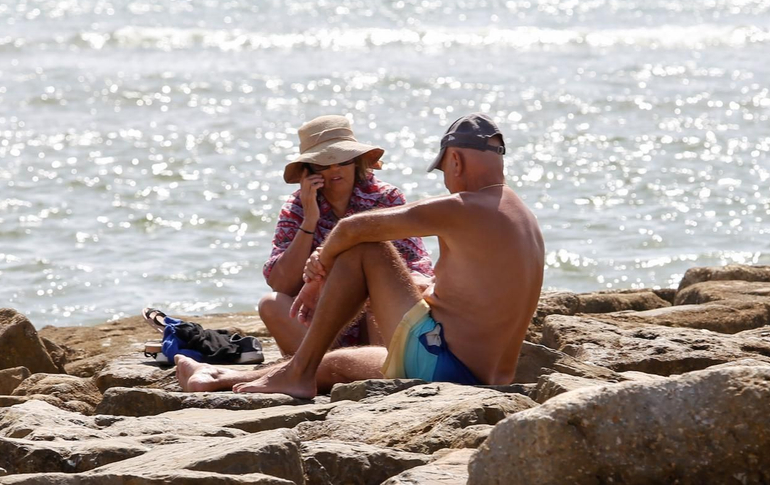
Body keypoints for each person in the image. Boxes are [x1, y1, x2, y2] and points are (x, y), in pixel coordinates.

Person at [178, 113, 543, 397]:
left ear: (456, 162)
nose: (447, 178)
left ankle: (297, 375)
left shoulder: (462, 207)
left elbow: (352, 230)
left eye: (445, 167)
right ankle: (219, 377)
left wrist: (318, 271)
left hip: (441, 360)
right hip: (480, 373)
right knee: (339, 365)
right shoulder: (523, 216)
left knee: (365, 247)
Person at [259, 115, 432, 355]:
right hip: (324, 323)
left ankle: (369, 367)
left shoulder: (385, 198)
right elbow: (281, 283)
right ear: (309, 170)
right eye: (323, 163)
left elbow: (411, 269)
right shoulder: (298, 205)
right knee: (270, 304)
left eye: (342, 159)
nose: (334, 169)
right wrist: (310, 219)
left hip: (373, 317)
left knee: (376, 293)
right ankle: (323, 366)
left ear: (356, 161)